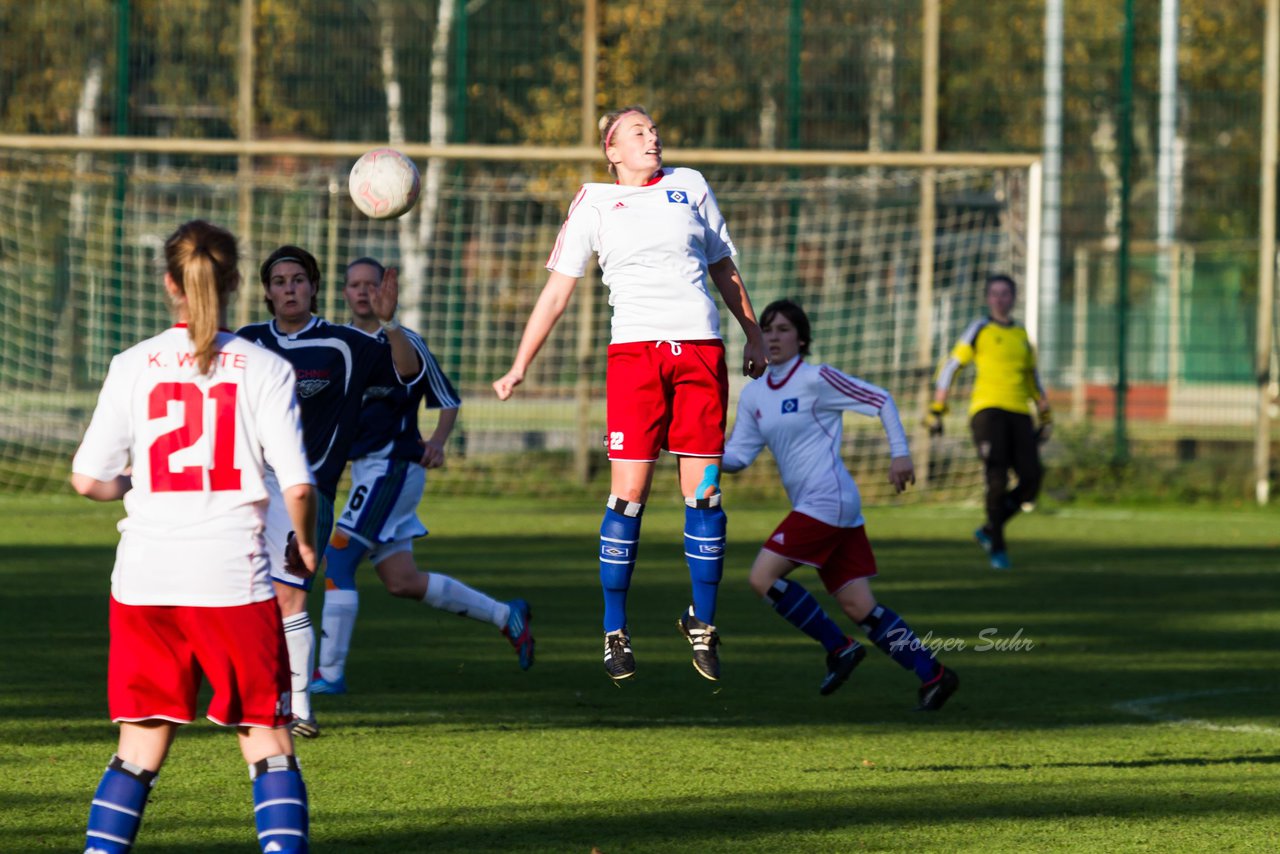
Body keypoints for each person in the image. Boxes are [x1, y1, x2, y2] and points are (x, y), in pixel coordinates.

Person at [493, 104, 767, 682]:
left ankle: (704, 623)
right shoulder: (593, 201)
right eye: (638, 132)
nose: (653, 137)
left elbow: (724, 268)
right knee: (630, 496)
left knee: (707, 495)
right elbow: (556, 295)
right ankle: (615, 631)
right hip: (635, 357)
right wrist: (519, 365)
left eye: (655, 129)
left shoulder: (689, 186)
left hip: (700, 350)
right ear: (612, 151)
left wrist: (755, 335)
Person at [71, 220, 317, 852]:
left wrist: (138, 483)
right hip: (231, 579)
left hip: (145, 578)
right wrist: (307, 542)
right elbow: (298, 485)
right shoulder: (265, 367)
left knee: (140, 743)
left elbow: (86, 480)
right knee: (265, 739)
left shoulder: (131, 365)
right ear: (236, 282)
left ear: (168, 284)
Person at [310, 257, 534, 696]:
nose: (362, 292)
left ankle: (329, 675)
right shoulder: (336, 345)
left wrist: (438, 441)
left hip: (393, 468)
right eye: (353, 285)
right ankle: (507, 616)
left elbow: (447, 398)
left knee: (337, 560)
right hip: (366, 473)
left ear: (385, 291)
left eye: (370, 285)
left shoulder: (405, 343)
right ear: (343, 293)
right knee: (402, 581)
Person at [722, 299, 960, 711]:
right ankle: (934, 674)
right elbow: (737, 458)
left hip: (827, 500)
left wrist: (900, 454)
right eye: (768, 329)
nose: (774, 337)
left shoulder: (817, 379)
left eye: (783, 329)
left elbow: (882, 399)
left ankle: (840, 648)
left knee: (762, 577)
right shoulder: (754, 395)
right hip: (827, 510)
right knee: (858, 605)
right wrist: (687, 450)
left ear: (802, 338)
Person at [237, 245, 422, 736]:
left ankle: (299, 708)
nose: (289, 288)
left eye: (298, 279)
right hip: (248, 487)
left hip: (307, 489)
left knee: (289, 594)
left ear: (314, 287)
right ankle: (265, 692)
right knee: (246, 594)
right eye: (279, 281)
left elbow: (406, 373)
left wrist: (390, 324)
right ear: (267, 292)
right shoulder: (248, 343)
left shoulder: (344, 343)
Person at [925, 273, 1051, 570]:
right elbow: (951, 366)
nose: (999, 298)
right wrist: (937, 407)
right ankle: (998, 549)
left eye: (1005, 293)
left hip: (1020, 413)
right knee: (996, 478)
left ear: (1014, 298)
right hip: (987, 412)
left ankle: (988, 529)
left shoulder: (1021, 336)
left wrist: (1045, 415)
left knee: (1031, 479)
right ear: (987, 298)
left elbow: (1034, 379)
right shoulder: (978, 329)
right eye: (994, 293)